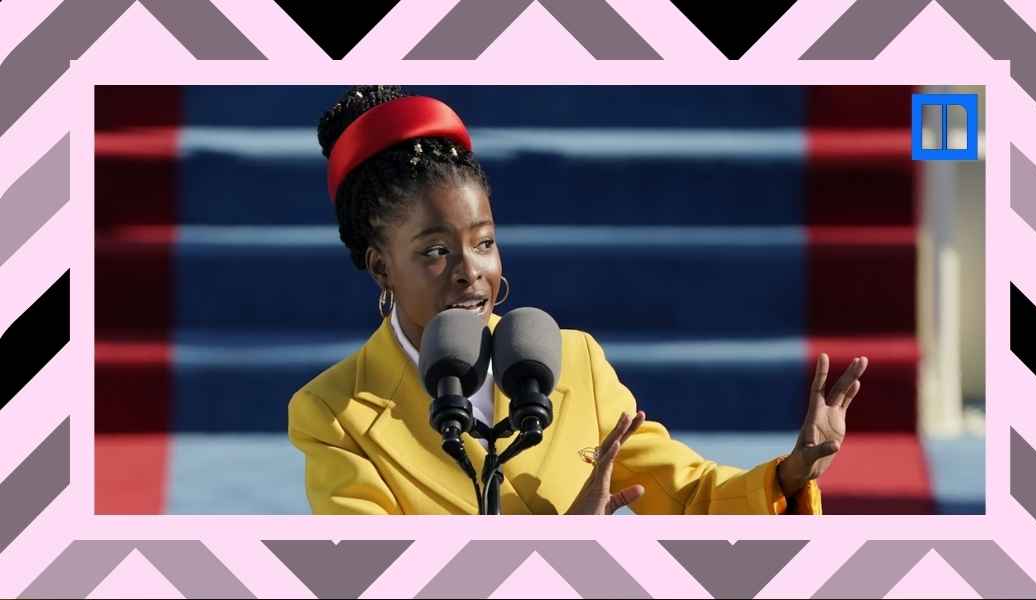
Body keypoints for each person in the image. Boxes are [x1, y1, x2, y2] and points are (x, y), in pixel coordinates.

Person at [287, 85, 870, 515]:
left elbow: (690, 496)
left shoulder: (574, 362)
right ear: (381, 266)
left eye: (484, 242)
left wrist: (791, 476)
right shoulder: (335, 414)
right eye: (436, 251)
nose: (471, 272)